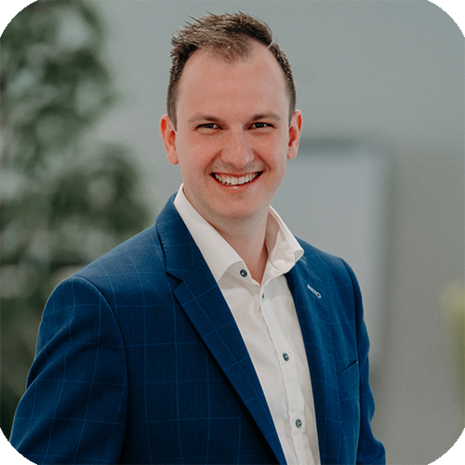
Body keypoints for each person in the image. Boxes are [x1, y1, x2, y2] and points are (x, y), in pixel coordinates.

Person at [9, 12, 385, 465]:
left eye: (260, 125)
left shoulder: (337, 285)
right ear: (171, 139)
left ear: (292, 134)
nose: (238, 155)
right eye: (210, 126)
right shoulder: (104, 307)